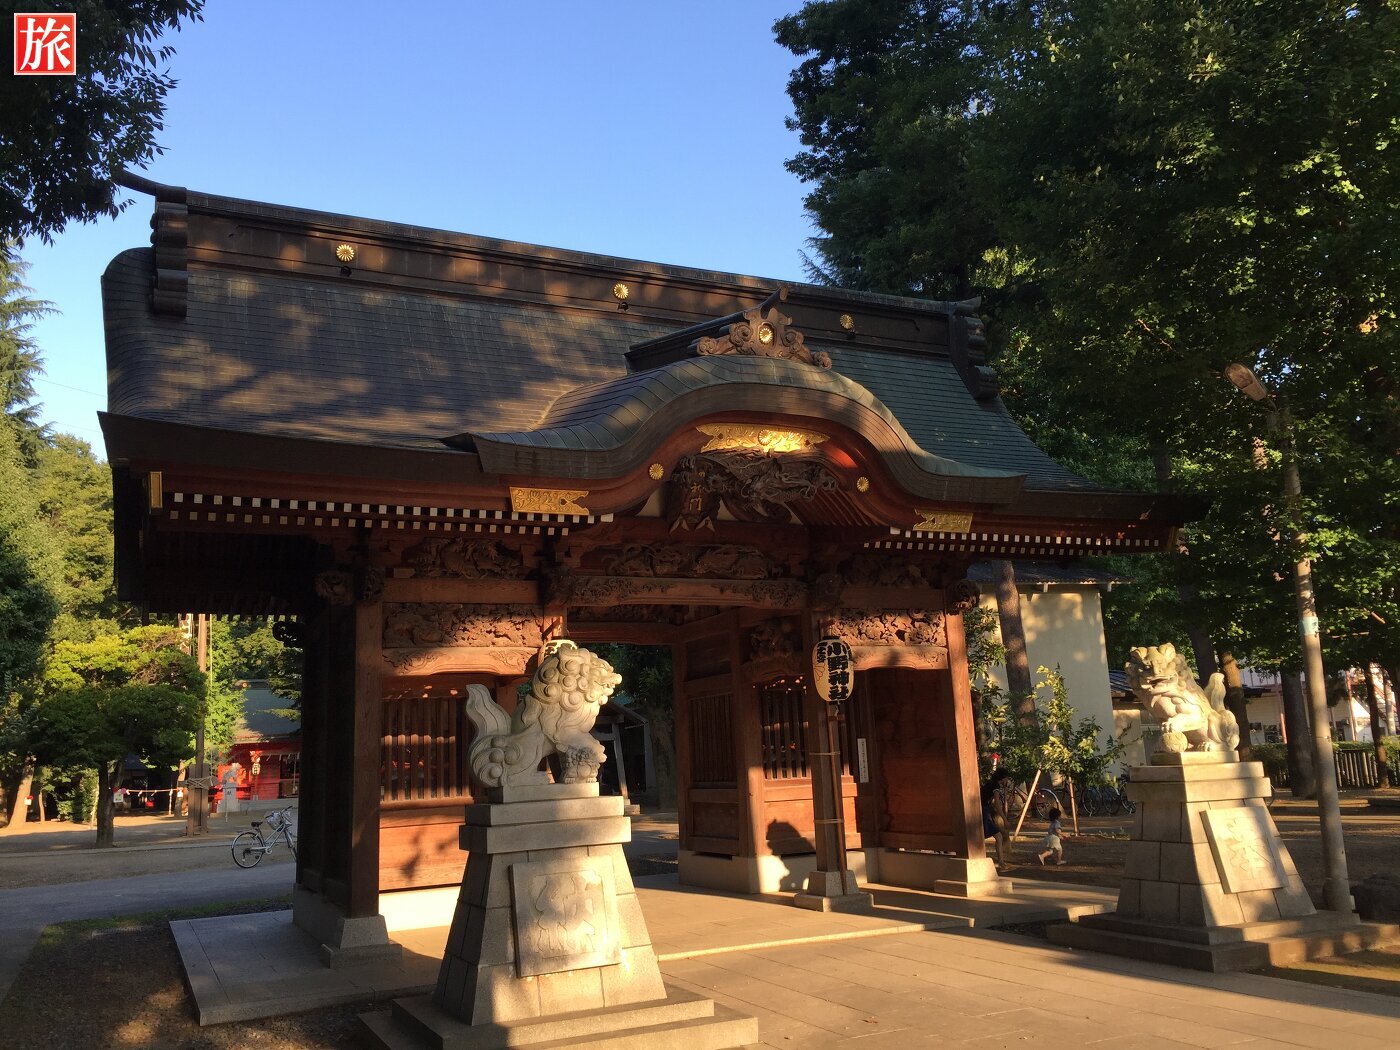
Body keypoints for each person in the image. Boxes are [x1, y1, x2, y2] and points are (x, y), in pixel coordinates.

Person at [981, 768, 1012, 870]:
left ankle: (1001, 863)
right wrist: (1005, 820)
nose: (1007, 780)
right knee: (997, 836)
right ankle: (1001, 863)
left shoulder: (990, 783)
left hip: (983, 810)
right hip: (982, 811)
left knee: (998, 837)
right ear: (1002, 778)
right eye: (1006, 778)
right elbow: (997, 805)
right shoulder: (995, 786)